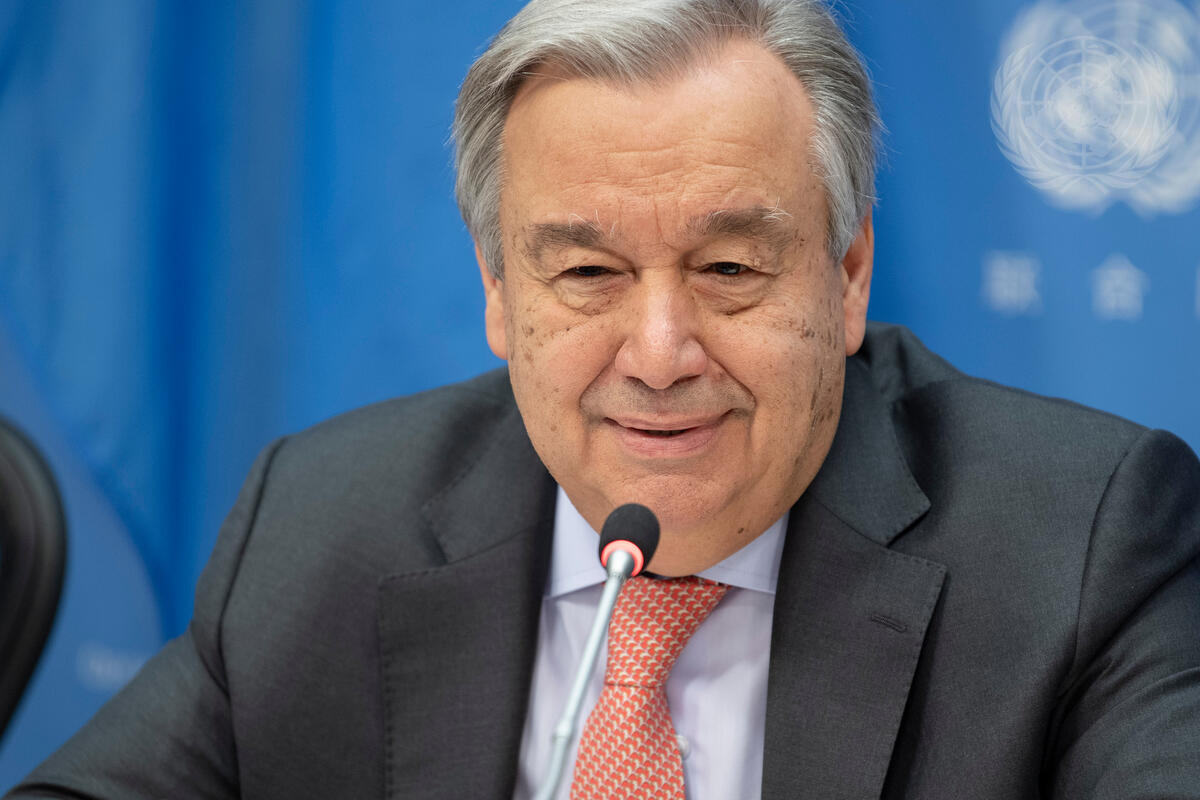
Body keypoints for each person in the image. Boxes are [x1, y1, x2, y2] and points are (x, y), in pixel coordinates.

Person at [9, 0, 1200, 798]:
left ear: (847, 276)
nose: (661, 351)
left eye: (728, 268)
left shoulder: (1082, 547)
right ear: (499, 292)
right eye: (587, 273)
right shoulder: (323, 524)